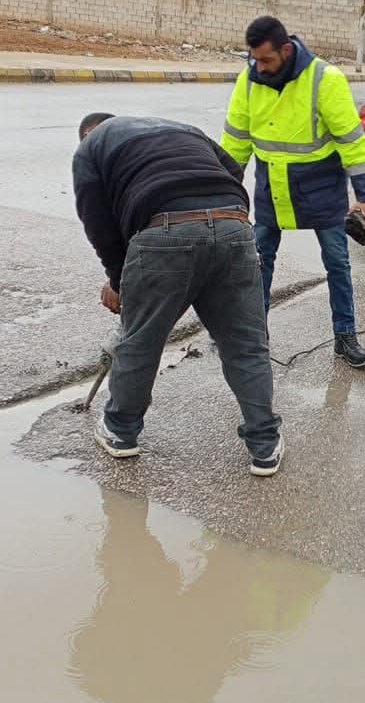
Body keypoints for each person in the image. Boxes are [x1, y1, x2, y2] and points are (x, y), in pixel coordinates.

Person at [72, 112, 283, 475]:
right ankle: (264, 445)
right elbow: (232, 170)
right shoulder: (181, 129)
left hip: (163, 232)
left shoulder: (89, 149)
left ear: (87, 135)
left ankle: (121, 433)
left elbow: (99, 224)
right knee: (246, 345)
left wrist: (119, 281)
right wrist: (219, 219)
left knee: (141, 342)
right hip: (233, 226)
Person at [222, 16, 365, 368]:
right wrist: (224, 193)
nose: (260, 67)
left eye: (266, 59)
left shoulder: (325, 79)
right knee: (258, 263)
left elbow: (352, 142)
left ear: (286, 50)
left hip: (320, 189)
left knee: (337, 263)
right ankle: (254, 335)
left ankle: (346, 337)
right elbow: (235, 142)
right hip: (272, 189)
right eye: (255, 59)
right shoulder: (249, 79)